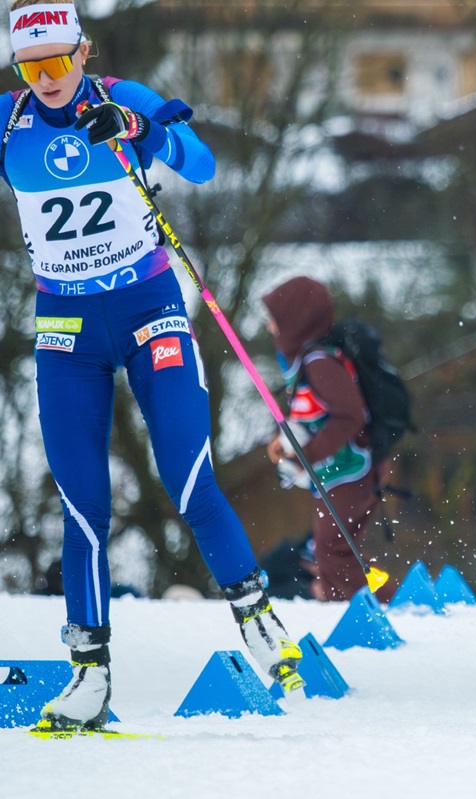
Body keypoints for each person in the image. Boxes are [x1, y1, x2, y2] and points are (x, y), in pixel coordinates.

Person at [0, 0, 303, 731]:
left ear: (83, 52)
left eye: (57, 61)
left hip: (148, 310)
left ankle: (257, 615)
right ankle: (89, 672)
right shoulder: (10, 122)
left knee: (189, 476)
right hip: (67, 327)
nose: (46, 78)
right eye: (30, 67)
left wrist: (143, 131)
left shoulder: (121, 96)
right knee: (82, 505)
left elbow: (202, 163)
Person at [262, 276, 395, 603]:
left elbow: (350, 416)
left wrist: (307, 453)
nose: (269, 327)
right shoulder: (308, 361)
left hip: (352, 471)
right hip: (343, 473)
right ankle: (394, 604)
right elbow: (309, 411)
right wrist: (282, 439)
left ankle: (381, 611)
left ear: (296, 320)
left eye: (275, 319)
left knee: (331, 552)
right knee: (335, 552)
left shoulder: (319, 362)